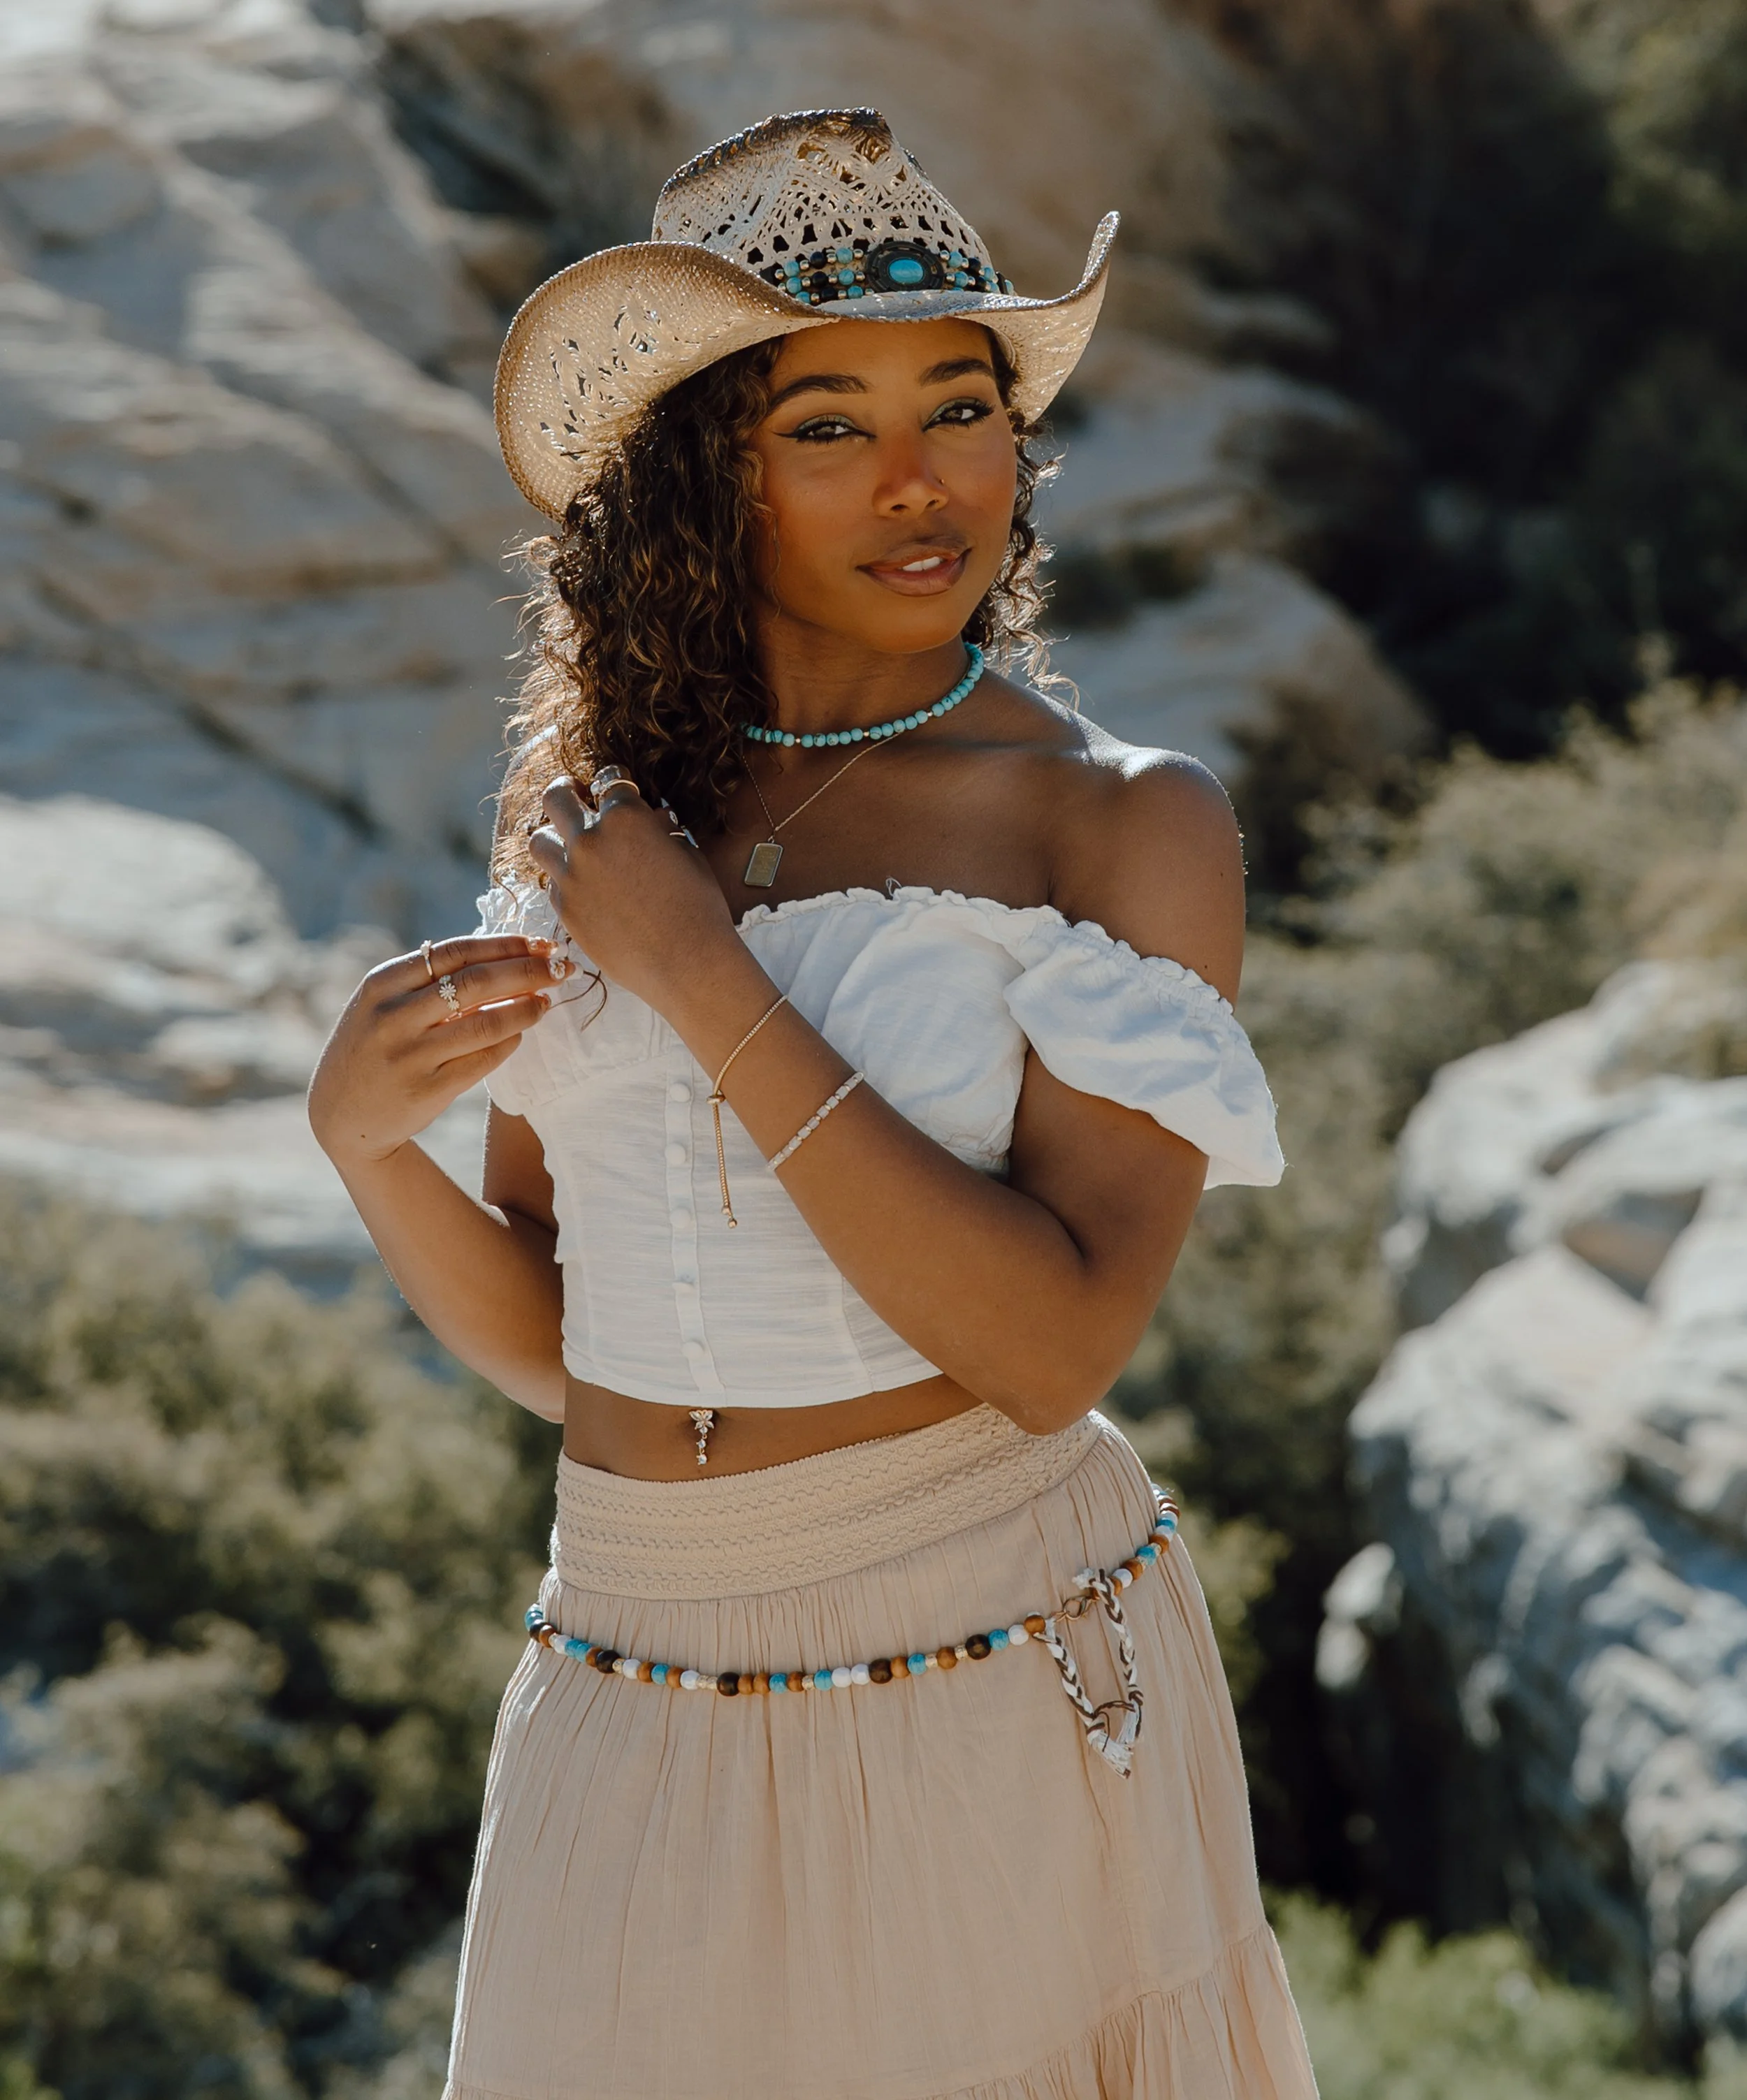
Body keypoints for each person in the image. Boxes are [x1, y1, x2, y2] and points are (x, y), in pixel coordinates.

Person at [309, 106, 1318, 2100]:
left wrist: (700, 974)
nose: (921, 478)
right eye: (828, 424)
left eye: (962, 406)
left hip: (982, 1654)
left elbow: (1051, 1345)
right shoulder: (593, 817)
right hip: (620, 1667)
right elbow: (551, 1332)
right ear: (704, 481)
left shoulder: (1116, 824)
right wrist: (360, 1144)